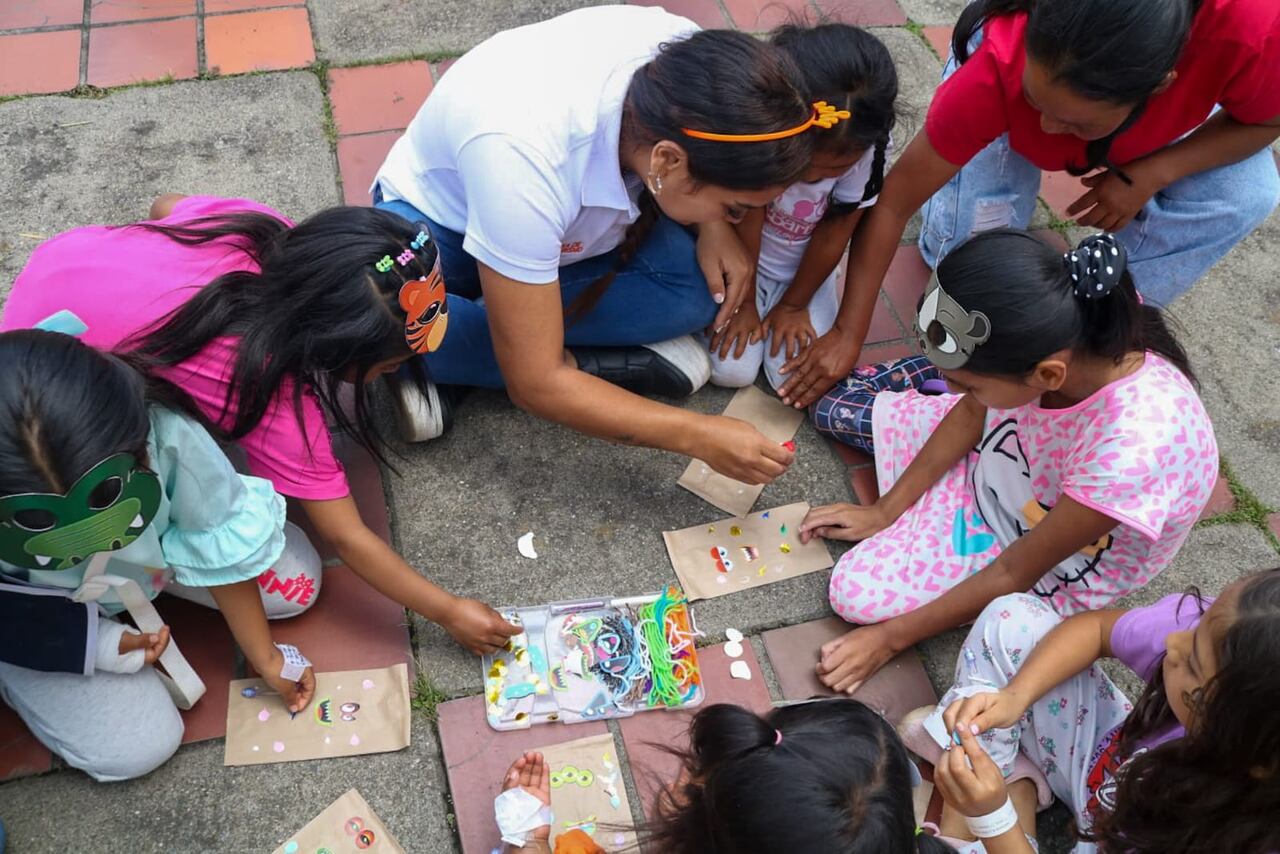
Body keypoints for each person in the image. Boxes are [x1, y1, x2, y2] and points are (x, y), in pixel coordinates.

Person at [0, 196, 519, 656]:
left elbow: (164, 206)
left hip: (42, 305)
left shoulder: (260, 229)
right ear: (327, 352)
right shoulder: (265, 391)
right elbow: (348, 536)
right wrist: (448, 611)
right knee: (297, 579)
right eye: (387, 367)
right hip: (56, 436)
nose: (396, 374)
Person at [373, 5, 829, 484]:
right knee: (383, 309)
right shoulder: (524, 156)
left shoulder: (689, 63)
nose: (737, 222)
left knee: (699, 290)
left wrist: (714, 229)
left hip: (560, 229)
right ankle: (526, 355)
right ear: (668, 161)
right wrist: (700, 434)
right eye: (734, 208)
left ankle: (475, 345)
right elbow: (534, 385)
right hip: (441, 226)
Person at [777, 0, 1280, 410]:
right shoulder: (999, 69)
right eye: (1039, 106)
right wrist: (848, 332)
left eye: (1077, 124)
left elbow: (1264, 121)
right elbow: (892, 205)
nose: (1046, 134)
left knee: (1248, 193)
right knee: (971, 268)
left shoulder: (1253, 29)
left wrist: (1153, 171)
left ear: (1160, 86)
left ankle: (1093, 327)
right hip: (1005, 93)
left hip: (1153, 125)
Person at [800, 230, 1217, 693]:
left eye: (968, 384)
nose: (963, 395)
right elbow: (971, 414)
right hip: (1005, 456)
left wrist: (888, 640)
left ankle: (944, 382)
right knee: (831, 405)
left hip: (1029, 548)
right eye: (958, 380)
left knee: (855, 595)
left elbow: (1016, 570)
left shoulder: (1132, 452)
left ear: (1047, 374)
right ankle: (953, 377)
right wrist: (883, 512)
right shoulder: (1070, 331)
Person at [0, 328, 315, 781]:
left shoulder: (162, 429)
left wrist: (265, 659)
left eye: (107, 493)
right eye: (34, 520)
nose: (87, 540)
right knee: (139, 747)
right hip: (40, 612)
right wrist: (104, 645)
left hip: (155, 564)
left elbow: (213, 527)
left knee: (298, 585)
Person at [902, 567, 1280, 853]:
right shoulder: (1227, 634)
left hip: (1133, 833)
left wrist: (993, 817)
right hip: (1106, 762)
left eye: (1194, 665)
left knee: (985, 812)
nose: (1173, 643)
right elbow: (1097, 631)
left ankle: (990, 811)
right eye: (1194, 628)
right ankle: (1008, 788)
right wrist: (1015, 698)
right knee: (1014, 621)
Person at [707, 23, 897, 393]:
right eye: (803, 165)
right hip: (743, 259)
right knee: (732, 372)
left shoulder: (867, 153)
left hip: (806, 275)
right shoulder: (767, 129)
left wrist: (795, 305)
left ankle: (808, 295)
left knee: (789, 376)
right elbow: (750, 211)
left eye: (832, 170)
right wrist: (745, 299)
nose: (813, 177)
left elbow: (835, 232)